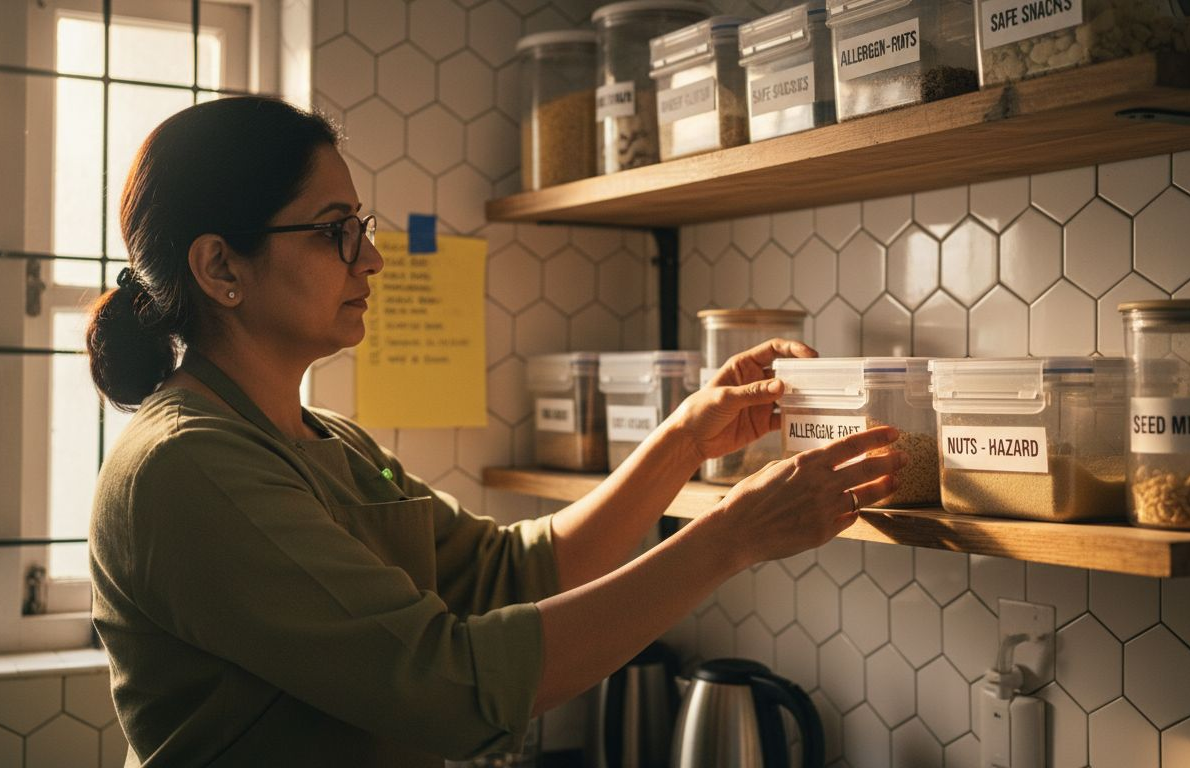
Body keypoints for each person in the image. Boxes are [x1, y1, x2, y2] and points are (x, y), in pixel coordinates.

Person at [85, 96, 905, 767]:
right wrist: (732, 536)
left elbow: (509, 572)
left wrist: (685, 441)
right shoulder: (187, 468)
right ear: (221, 268)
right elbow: (448, 685)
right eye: (336, 229)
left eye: (361, 226)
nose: (371, 259)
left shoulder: (328, 441)